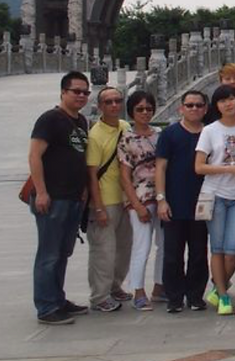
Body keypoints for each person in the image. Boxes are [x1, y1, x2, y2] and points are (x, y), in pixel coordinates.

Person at [29, 71, 91, 325]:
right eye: (76, 91)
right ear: (63, 92)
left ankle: (57, 299)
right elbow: (34, 156)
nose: (81, 96)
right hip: (53, 197)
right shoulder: (50, 119)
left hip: (73, 197)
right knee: (49, 254)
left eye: (85, 92)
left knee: (63, 252)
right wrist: (42, 192)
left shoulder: (82, 121)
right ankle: (46, 307)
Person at [195, 84, 235, 316]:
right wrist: (227, 169)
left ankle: (217, 288)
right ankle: (224, 296)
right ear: (216, 105)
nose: (228, 104)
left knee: (233, 251)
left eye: (231, 99)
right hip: (214, 194)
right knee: (217, 249)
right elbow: (199, 167)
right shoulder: (210, 130)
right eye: (222, 100)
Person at [156, 90, 208, 313]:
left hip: (202, 203)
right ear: (181, 108)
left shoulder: (209, 133)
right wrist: (161, 199)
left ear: (205, 109)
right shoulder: (170, 134)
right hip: (174, 202)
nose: (194, 109)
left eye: (198, 105)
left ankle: (195, 296)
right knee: (172, 254)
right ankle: (174, 297)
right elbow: (160, 167)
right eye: (189, 105)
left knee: (199, 253)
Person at [85, 86, 133, 312]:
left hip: (125, 199)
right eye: (108, 102)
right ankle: (99, 296)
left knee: (123, 248)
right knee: (103, 250)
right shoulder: (95, 135)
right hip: (104, 200)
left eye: (117, 100)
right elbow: (91, 174)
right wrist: (98, 207)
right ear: (100, 106)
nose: (114, 105)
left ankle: (115, 286)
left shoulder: (125, 127)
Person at [118, 90, 165, 311]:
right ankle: (137, 290)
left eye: (148, 108)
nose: (145, 112)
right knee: (142, 245)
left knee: (164, 243)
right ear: (131, 112)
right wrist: (136, 205)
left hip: (163, 195)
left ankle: (160, 286)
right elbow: (124, 176)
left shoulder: (160, 134)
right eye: (140, 109)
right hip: (141, 197)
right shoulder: (127, 138)